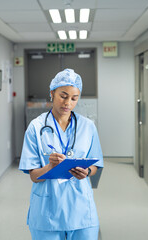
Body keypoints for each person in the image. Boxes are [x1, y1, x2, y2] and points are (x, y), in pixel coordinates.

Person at [19, 68, 104, 240]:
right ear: (52, 93)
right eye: (63, 96)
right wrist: (50, 167)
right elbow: (34, 176)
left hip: (81, 209)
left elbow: (95, 166)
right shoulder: (36, 127)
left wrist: (87, 172)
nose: (68, 103)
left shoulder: (88, 127)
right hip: (48, 211)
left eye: (74, 98)